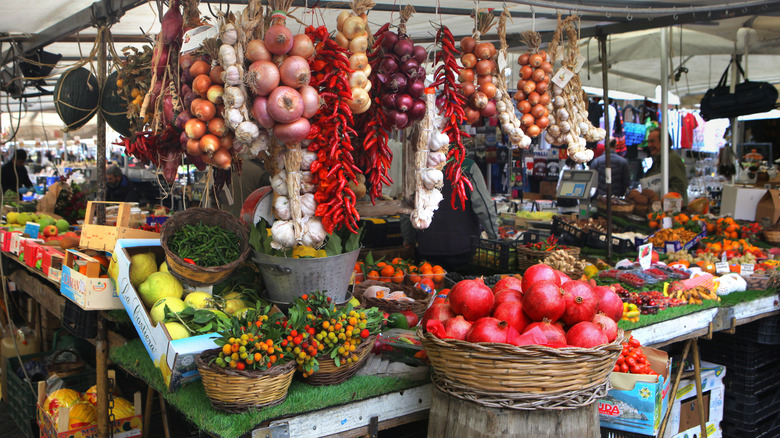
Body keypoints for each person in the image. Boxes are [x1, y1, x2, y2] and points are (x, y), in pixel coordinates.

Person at [401, 157, 498, 272]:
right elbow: (484, 206)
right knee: (459, 288)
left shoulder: (420, 167)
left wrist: (409, 238)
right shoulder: (467, 166)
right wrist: (494, 237)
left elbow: (408, 207)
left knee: (431, 288)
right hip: (462, 248)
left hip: (427, 247)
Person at [643, 128, 688, 204]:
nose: (649, 145)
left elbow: (679, 190)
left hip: (671, 212)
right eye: (648, 142)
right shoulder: (659, 159)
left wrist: (653, 197)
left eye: (652, 141)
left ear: (664, 142)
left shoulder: (671, 159)